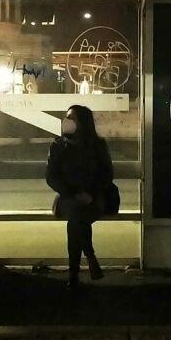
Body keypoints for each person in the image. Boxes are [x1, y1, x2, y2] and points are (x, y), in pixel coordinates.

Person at [46, 104, 114, 289]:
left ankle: (74, 275)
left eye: (72, 118)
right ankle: (90, 257)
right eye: (66, 117)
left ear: (83, 123)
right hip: (68, 198)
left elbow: (107, 174)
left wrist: (90, 194)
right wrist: (75, 193)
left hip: (93, 198)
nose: (67, 121)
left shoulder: (97, 145)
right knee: (77, 215)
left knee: (76, 220)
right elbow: (51, 176)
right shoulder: (58, 145)